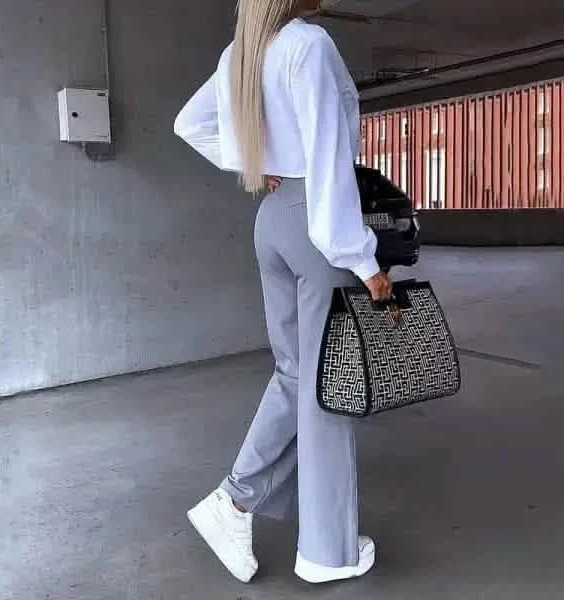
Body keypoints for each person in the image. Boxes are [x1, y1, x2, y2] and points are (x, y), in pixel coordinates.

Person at [174, 0, 393, 585]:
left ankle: (235, 501)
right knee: (328, 386)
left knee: (299, 374)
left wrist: (251, 158)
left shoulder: (241, 54)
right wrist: (364, 261)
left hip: (271, 219)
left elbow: (189, 124)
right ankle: (326, 551)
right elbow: (328, 166)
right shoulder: (307, 45)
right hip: (314, 225)